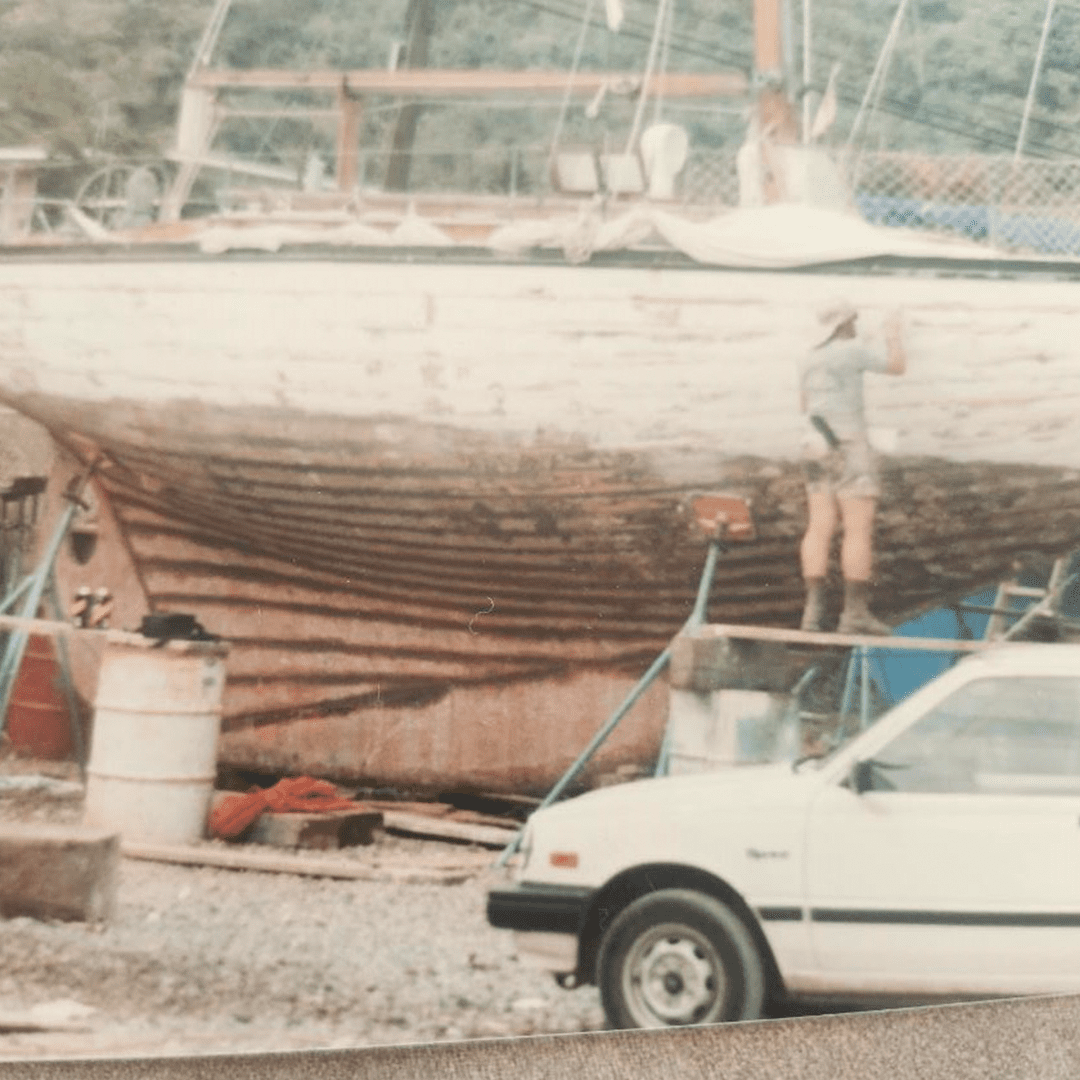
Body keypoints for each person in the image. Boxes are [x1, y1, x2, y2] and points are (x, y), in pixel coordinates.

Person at [798, 301, 906, 634]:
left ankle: (812, 615)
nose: (857, 325)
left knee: (819, 526)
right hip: (849, 443)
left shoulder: (808, 357)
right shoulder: (852, 351)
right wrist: (893, 334)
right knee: (858, 529)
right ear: (842, 324)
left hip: (813, 444)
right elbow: (897, 366)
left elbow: (803, 404)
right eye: (854, 320)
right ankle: (853, 614)